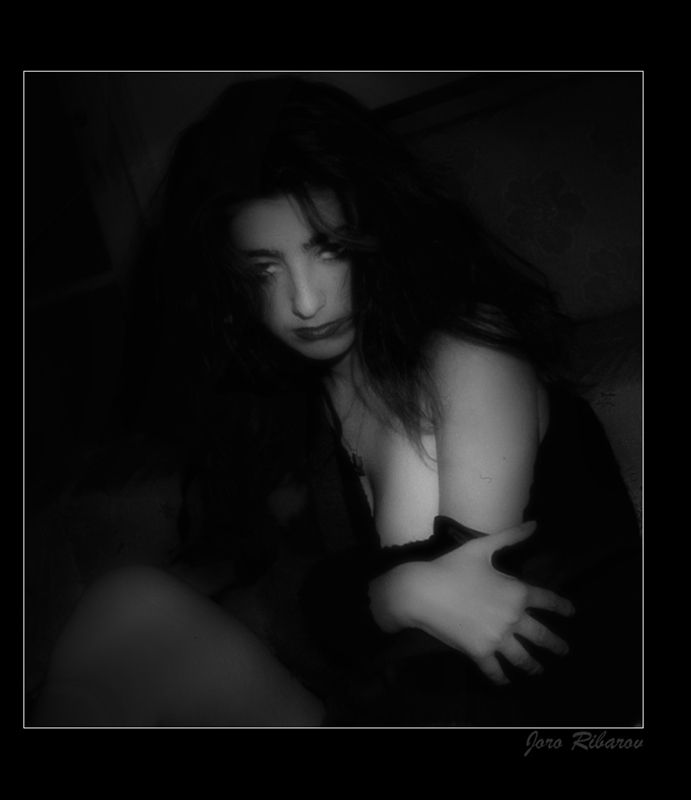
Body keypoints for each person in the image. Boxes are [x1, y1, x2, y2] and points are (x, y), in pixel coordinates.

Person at [31, 76, 641, 727]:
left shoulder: (468, 350)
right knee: (124, 607)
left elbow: (456, 635)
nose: (305, 302)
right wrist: (392, 593)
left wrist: (379, 597)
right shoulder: (302, 399)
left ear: (377, 233)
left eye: (328, 250)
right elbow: (291, 603)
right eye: (265, 270)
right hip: (393, 702)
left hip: (521, 710)